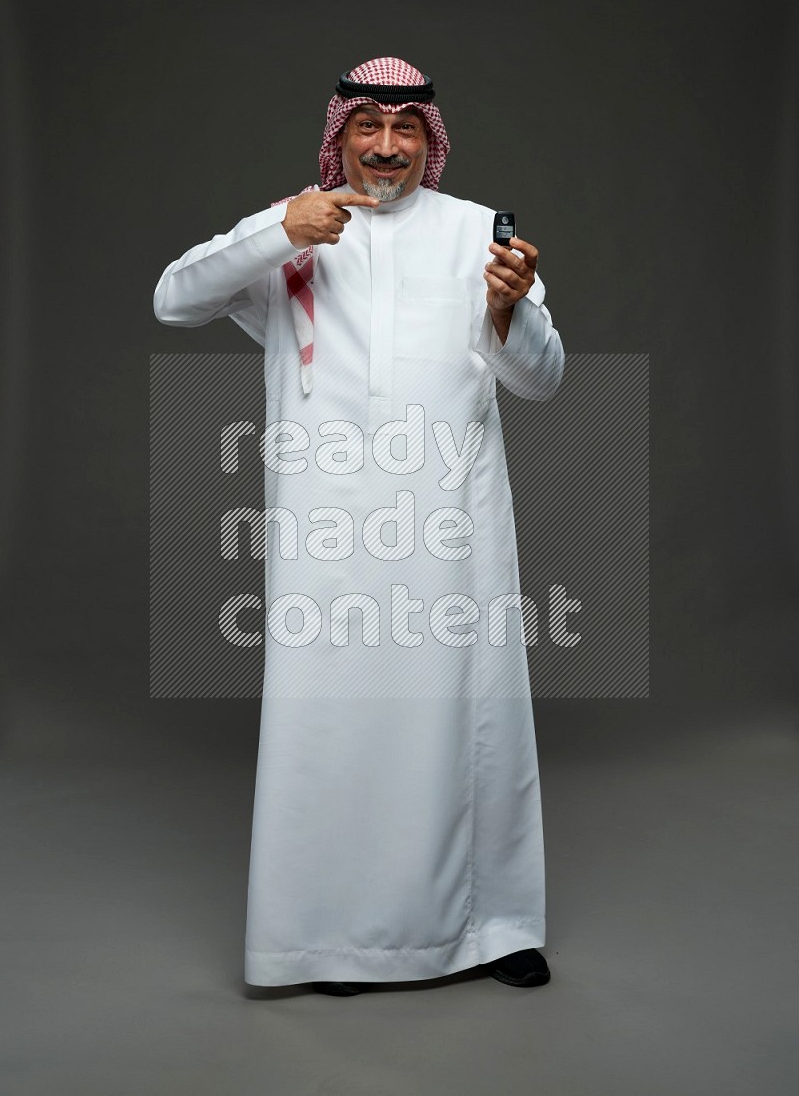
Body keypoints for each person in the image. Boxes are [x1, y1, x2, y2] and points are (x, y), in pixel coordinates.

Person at [153, 57, 565, 996]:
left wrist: (508, 311)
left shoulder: (476, 236)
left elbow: (542, 382)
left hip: (451, 530)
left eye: (405, 129)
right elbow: (174, 299)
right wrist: (271, 232)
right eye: (367, 127)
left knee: (473, 718)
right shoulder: (297, 227)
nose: (386, 147)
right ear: (339, 135)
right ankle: (330, 938)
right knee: (332, 724)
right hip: (326, 534)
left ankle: (493, 925)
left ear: (431, 140)